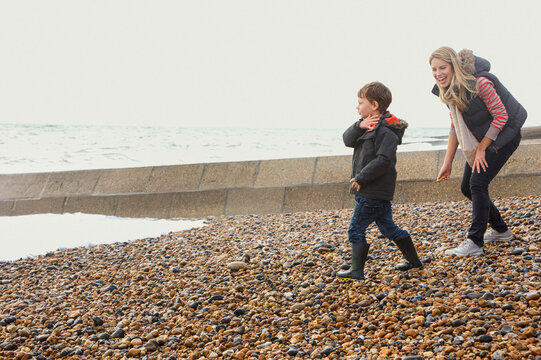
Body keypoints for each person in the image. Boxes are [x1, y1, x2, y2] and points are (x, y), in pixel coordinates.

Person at [430, 47, 527, 256]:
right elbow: (456, 126)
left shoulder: (480, 84)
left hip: (506, 133)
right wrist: (446, 163)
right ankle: (501, 230)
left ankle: (474, 242)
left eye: (442, 67)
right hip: (483, 137)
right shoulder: (450, 92)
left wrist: (483, 148)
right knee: (467, 186)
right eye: (434, 69)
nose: (438, 73)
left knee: (478, 183)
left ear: (454, 66)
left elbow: (501, 116)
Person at [337, 81, 423, 280]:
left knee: (356, 229)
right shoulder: (367, 126)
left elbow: (384, 160)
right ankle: (414, 261)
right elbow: (347, 140)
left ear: (374, 105)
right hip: (373, 191)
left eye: (360, 103)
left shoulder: (386, 131)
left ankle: (356, 270)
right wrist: (359, 125)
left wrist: (361, 178)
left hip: (372, 191)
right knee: (389, 228)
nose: (356, 107)